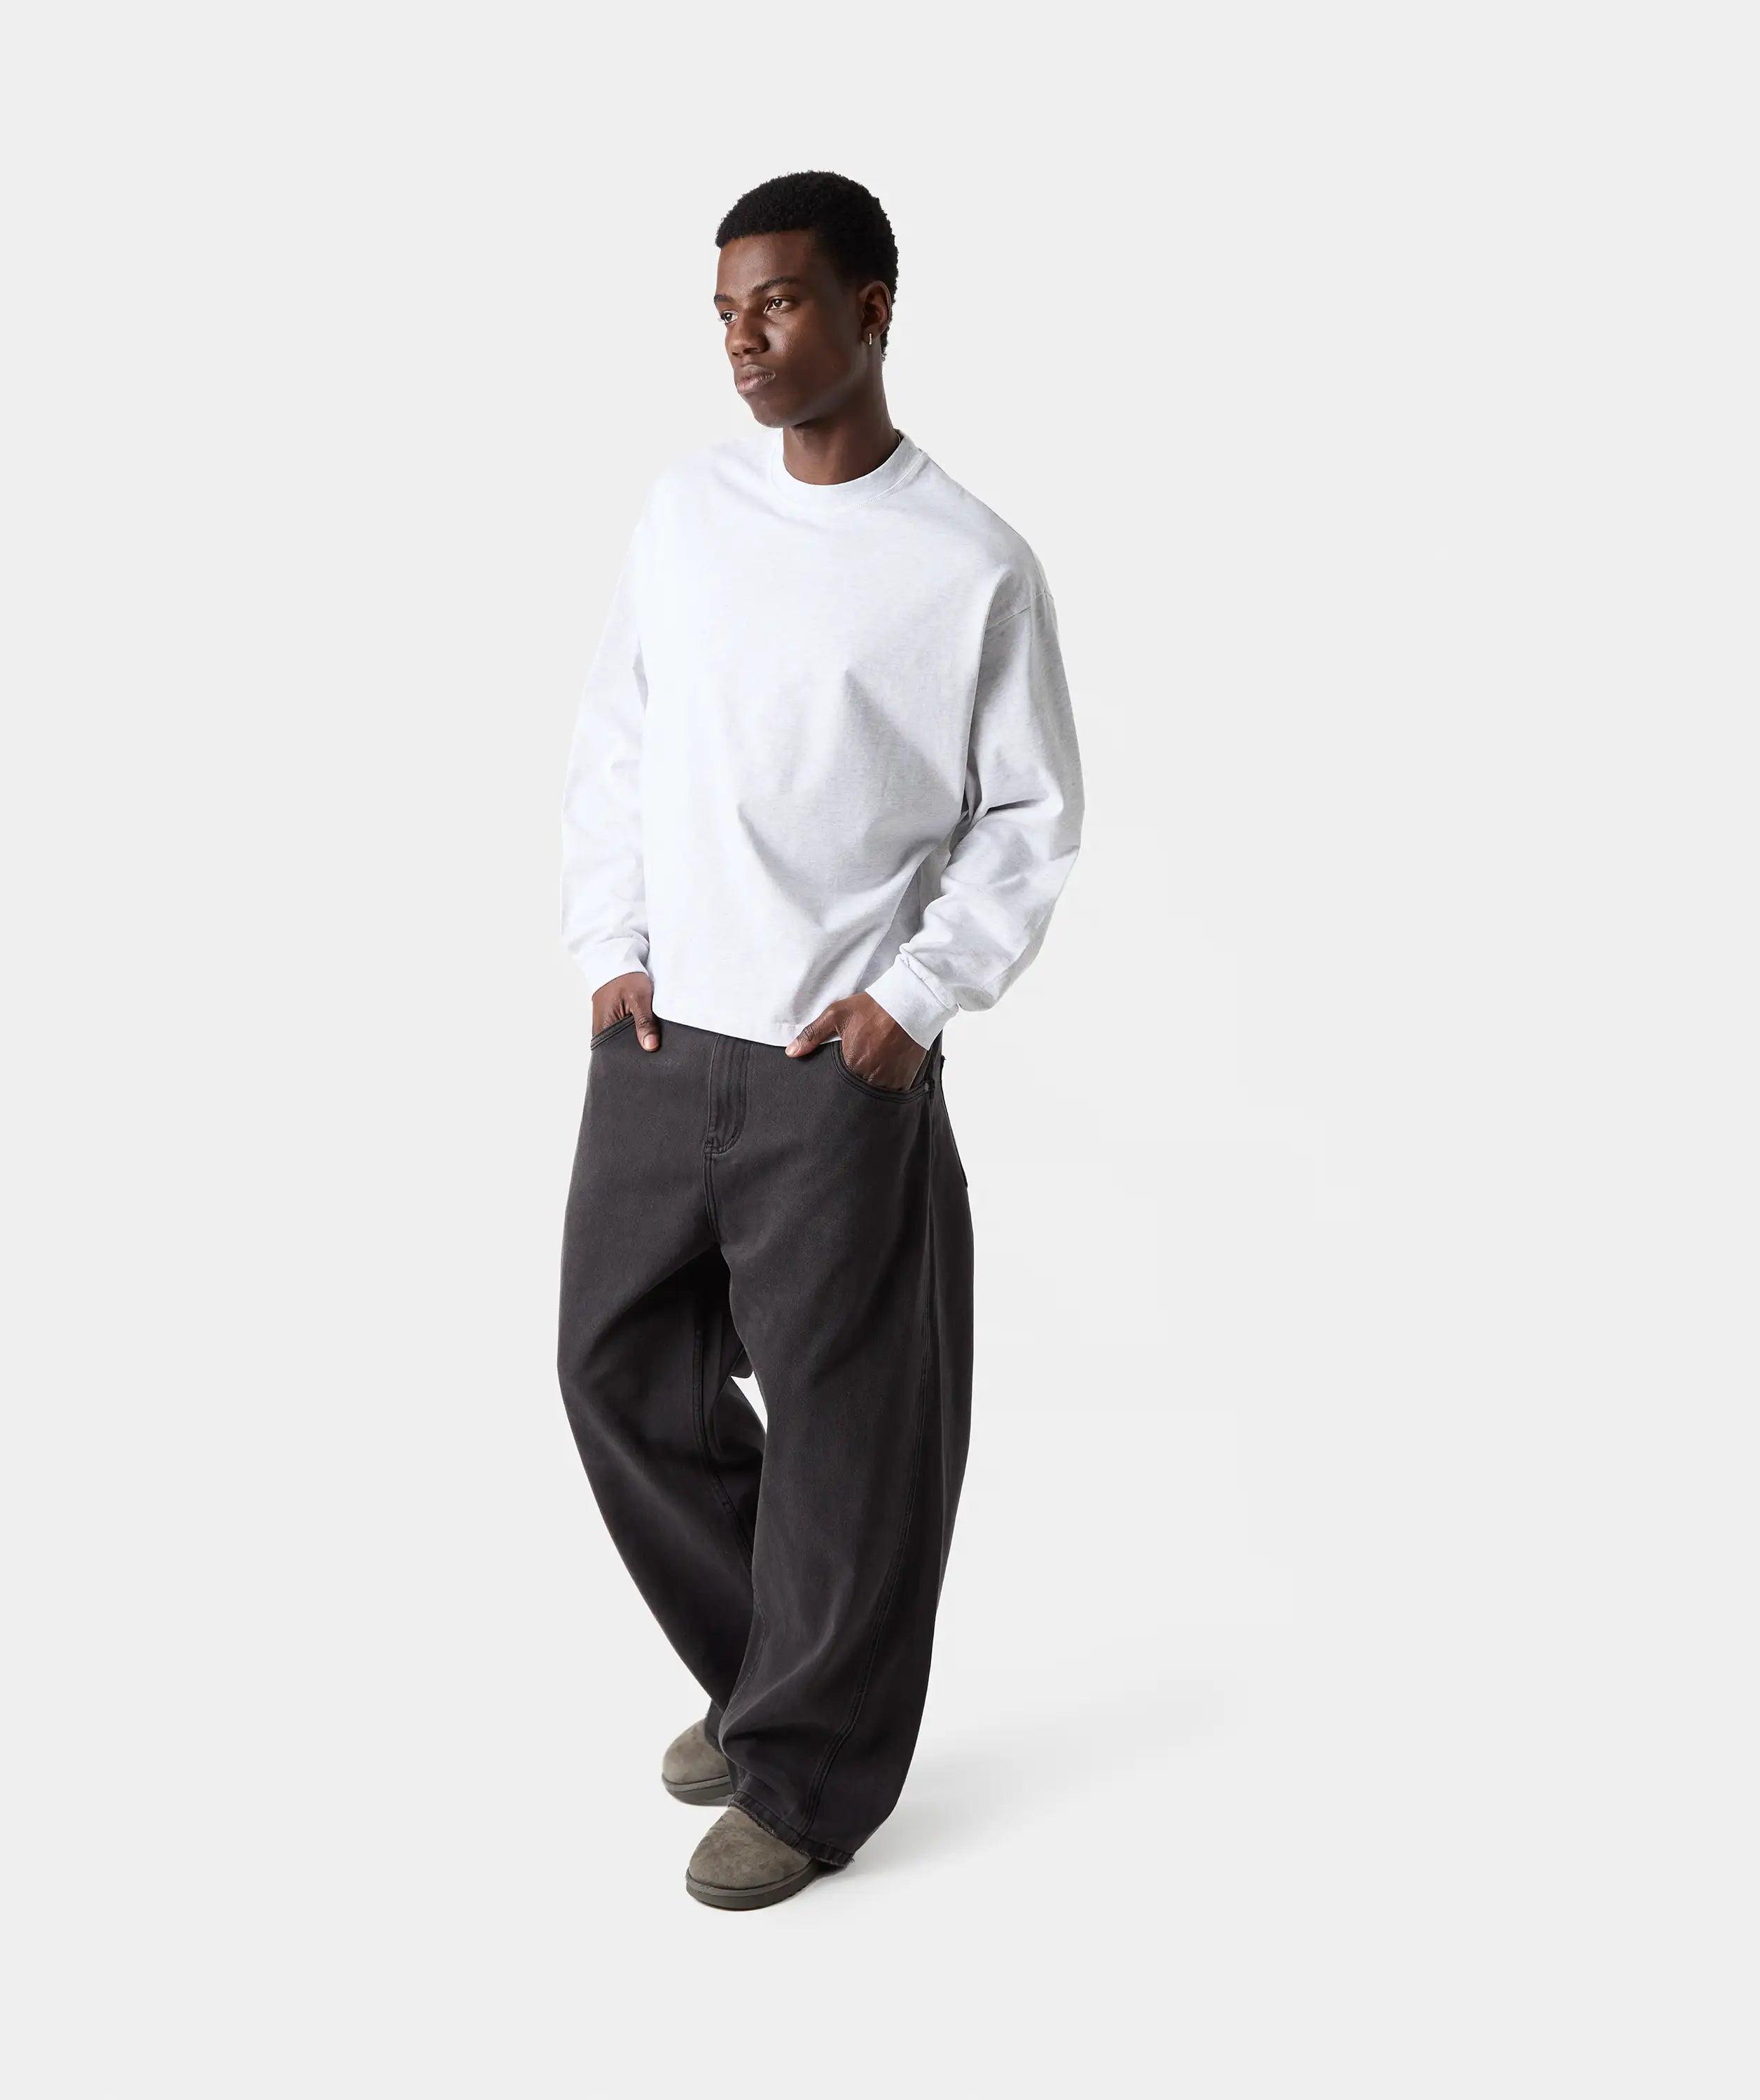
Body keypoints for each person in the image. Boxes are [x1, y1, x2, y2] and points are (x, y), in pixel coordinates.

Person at [555, 171, 1084, 1910]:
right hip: (659, 1041)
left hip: (828, 1061)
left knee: (852, 1432)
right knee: (619, 1373)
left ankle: (809, 1779)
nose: (745, 341)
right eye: (725, 312)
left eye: (778, 302)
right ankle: (776, 1668)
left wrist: (910, 1006)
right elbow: (619, 735)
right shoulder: (686, 514)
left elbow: (1029, 817)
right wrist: (610, 950)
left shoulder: (970, 563)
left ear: (872, 308)